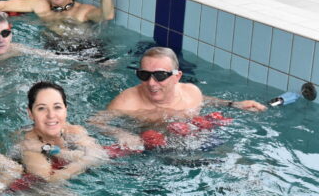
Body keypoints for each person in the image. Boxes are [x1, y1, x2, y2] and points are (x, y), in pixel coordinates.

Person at [95, 47, 267, 148]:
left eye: (160, 75)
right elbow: (96, 122)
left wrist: (234, 104)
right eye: (144, 75)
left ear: (177, 76)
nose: (151, 83)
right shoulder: (127, 102)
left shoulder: (192, 92)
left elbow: (204, 100)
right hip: (150, 148)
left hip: (191, 139)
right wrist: (121, 133)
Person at [16, 81, 106, 182]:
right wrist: (77, 160)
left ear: (65, 110)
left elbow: (99, 155)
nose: (51, 115)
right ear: (31, 113)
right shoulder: (28, 142)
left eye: (57, 107)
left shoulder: (73, 131)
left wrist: (53, 151)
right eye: (41, 108)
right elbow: (47, 181)